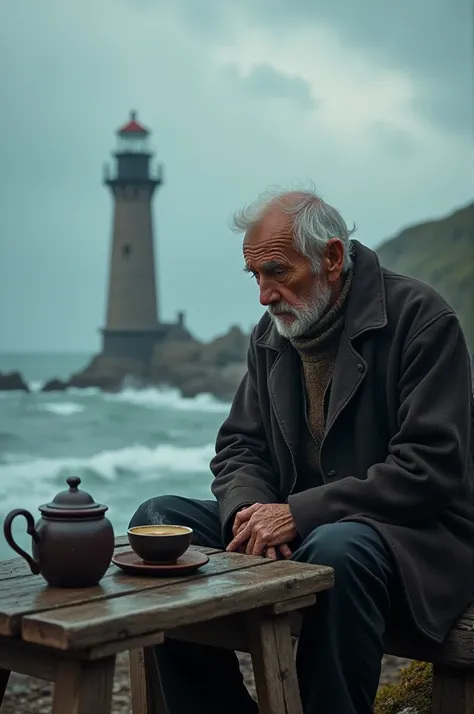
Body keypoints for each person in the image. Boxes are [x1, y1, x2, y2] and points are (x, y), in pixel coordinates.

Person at [130, 188, 474, 714]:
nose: (264, 296)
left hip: (413, 542)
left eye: (277, 272)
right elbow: (239, 446)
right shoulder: (274, 332)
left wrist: (297, 513)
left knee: (339, 549)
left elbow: (428, 469)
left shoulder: (422, 319)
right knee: (158, 521)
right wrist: (250, 512)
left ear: (332, 258)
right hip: (309, 528)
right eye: (256, 277)